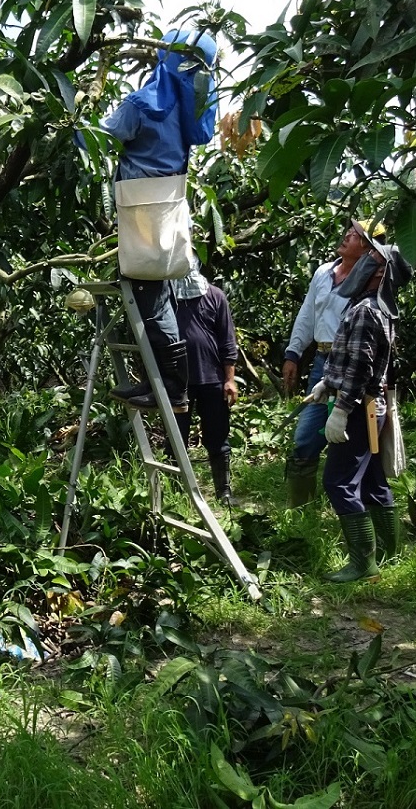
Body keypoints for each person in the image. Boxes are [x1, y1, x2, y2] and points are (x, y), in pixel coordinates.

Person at [101, 30, 218, 412]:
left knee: (146, 295)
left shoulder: (144, 103)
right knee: (159, 292)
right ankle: (163, 383)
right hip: (169, 204)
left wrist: (67, 124)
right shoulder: (189, 108)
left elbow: (100, 136)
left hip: (140, 208)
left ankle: (172, 387)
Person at [305, 236, 412, 582]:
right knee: (371, 478)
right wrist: (327, 383)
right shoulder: (373, 306)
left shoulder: (367, 310)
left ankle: (364, 564)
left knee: (338, 482)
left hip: (359, 407)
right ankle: (389, 550)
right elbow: (352, 358)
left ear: (380, 273)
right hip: (368, 404)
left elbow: (361, 366)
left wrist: (341, 408)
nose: (364, 258)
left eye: (372, 257)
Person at [281, 220, 385, 507]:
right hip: (322, 363)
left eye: (355, 235)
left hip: (353, 366)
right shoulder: (324, 272)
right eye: (348, 232)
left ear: (367, 247)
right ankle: (301, 507)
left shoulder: (370, 284)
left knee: (354, 441)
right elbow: (307, 314)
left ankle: (356, 503)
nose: (347, 236)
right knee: (305, 436)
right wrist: (293, 353)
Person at [172, 261, 240, 504]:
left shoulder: (215, 296)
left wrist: (229, 380)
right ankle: (176, 492)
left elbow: (227, 340)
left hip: (211, 379)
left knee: (217, 436)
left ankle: (223, 491)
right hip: (178, 381)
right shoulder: (168, 297)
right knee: (176, 437)